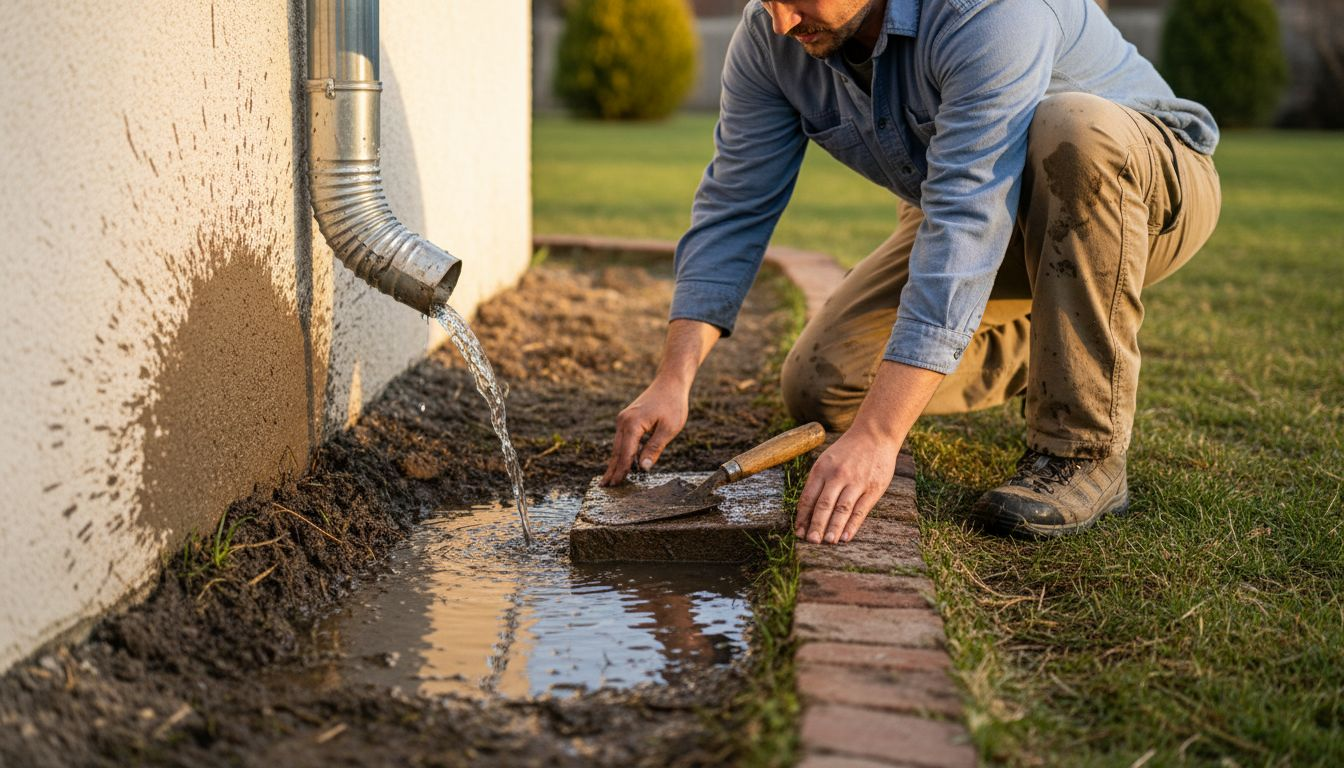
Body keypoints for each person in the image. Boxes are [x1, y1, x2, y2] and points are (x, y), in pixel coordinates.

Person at [601, 0, 1221, 544]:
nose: (782, 20)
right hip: (966, 207)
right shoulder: (770, 35)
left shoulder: (986, 11)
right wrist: (672, 377)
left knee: (1074, 130)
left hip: (1141, 194)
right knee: (825, 386)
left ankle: (1080, 452)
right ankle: (1065, 340)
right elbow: (735, 203)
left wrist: (879, 436)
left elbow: (964, 224)